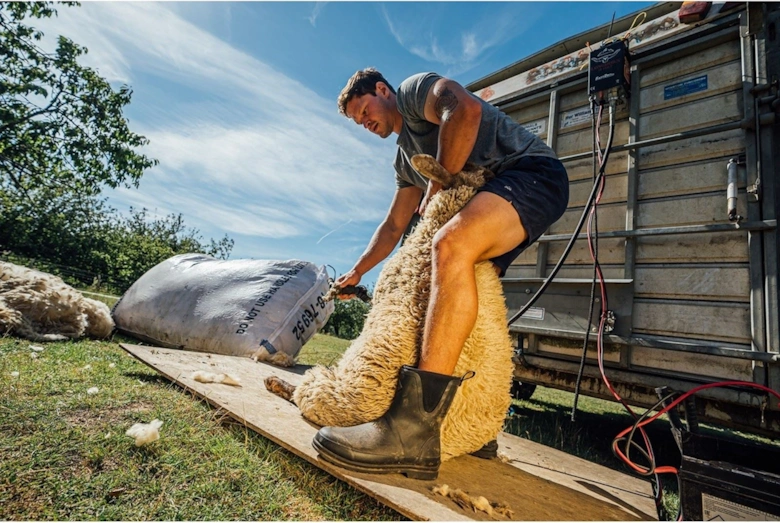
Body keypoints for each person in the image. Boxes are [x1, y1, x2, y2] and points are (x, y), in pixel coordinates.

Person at [312, 68, 569, 479]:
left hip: (530, 174)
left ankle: (414, 429)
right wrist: (357, 271)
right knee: (467, 283)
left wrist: (439, 180)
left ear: (382, 90)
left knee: (449, 246)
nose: (363, 122)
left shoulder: (415, 94)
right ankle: (469, 422)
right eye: (356, 122)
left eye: (363, 110)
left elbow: (463, 109)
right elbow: (394, 225)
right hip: (490, 192)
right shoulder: (403, 160)